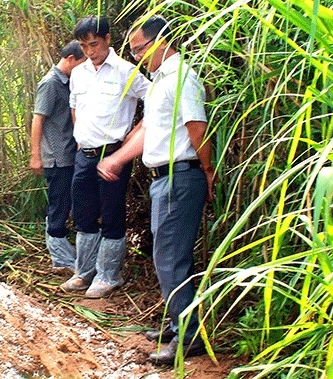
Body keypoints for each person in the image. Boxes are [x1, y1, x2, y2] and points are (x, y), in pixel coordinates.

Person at [97, 15, 217, 364]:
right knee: (168, 255)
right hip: (166, 180)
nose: (137, 58)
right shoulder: (160, 82)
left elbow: (197, 127)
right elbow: (150, 129)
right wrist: (117, 158)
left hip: (181, 177)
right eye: (133, 52)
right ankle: (179, 322)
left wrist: (207, 170)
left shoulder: (181, 78)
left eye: (140, 50)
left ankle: (188, 336)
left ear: (163, 42)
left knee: (170, 257)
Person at [60, 15, 151, 298]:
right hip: (84, 154)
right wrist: (81, 136)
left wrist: (134, 134)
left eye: (94, 44)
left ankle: (109, 276)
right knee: (84, 214)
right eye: (84, 46)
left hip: (113, 154)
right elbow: (75, 108)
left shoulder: (127, 71)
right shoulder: (78, 73)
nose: (90, 51)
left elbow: (157, 100)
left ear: (108, 39)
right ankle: (84, 272)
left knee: (112, 214)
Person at [29, 41, 86, 272]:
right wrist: (35, 155)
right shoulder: (51, 83)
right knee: (59, 205)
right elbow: (38, 119)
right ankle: (60, 259)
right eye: (83, 62)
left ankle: (66, 254)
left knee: (67, 203)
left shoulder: (68, 82)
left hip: (69, 155)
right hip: (56, 156)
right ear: (71, 58)